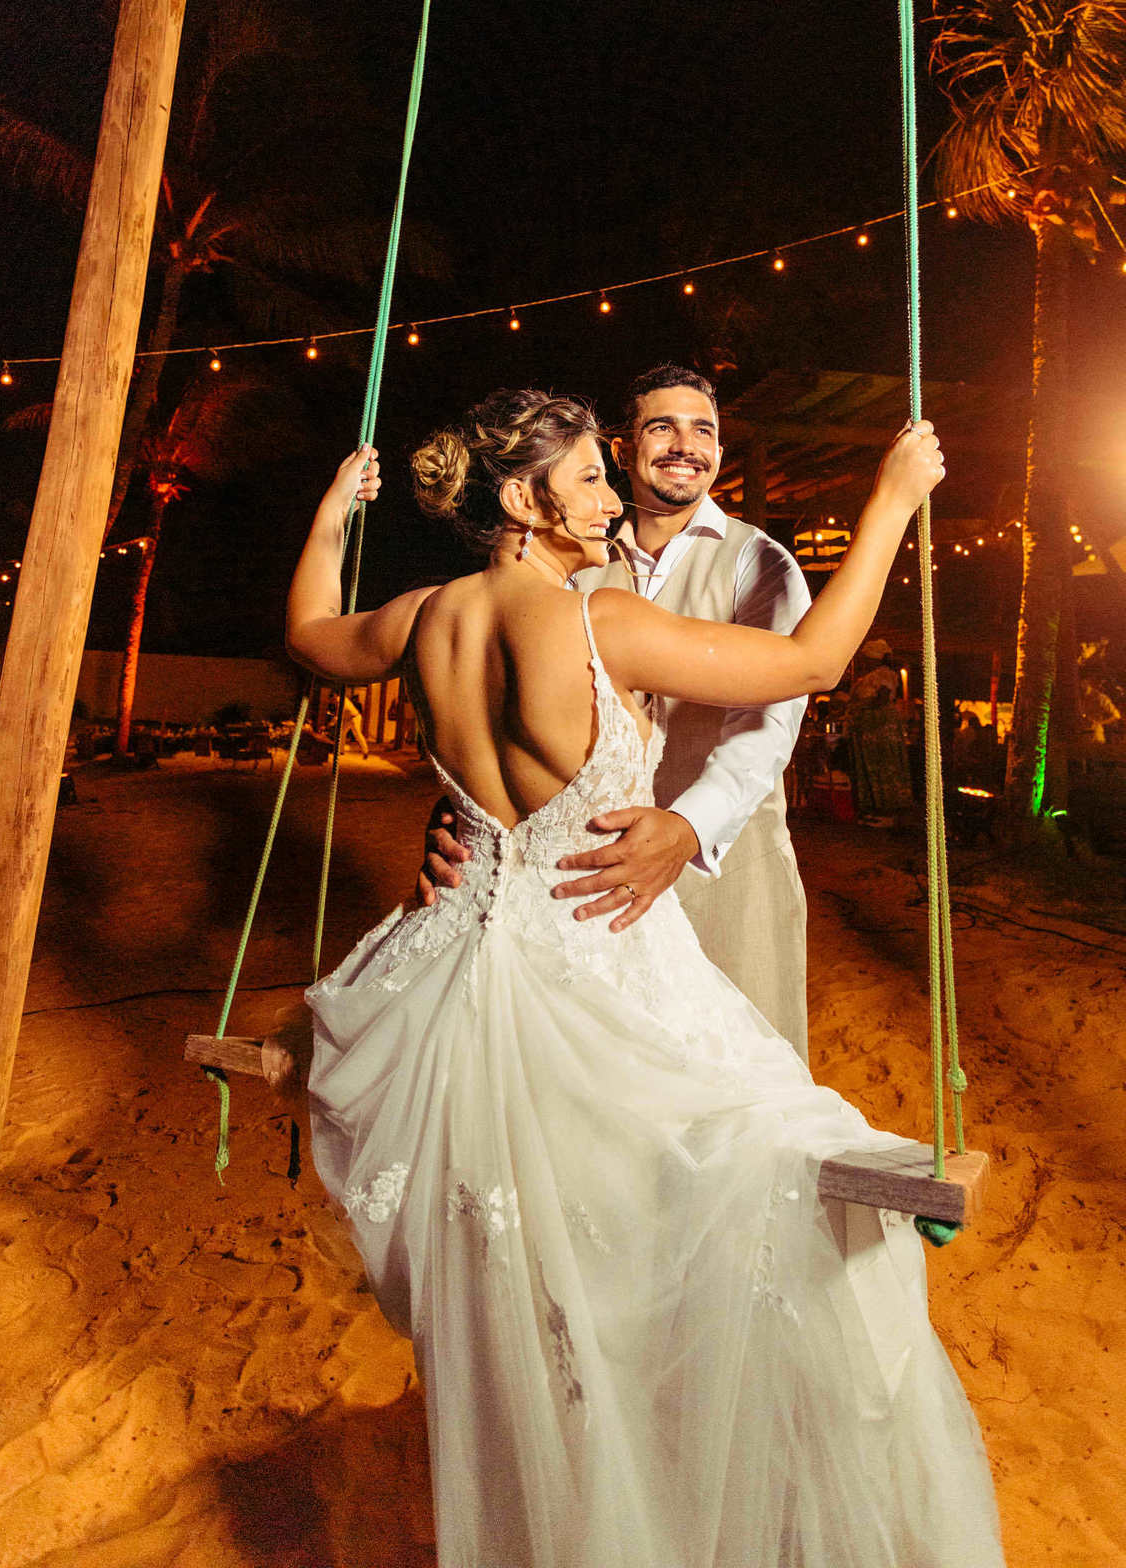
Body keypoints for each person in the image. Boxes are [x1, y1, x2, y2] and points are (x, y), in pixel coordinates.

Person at [286, 391, 1003, 1568]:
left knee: (541, 1279)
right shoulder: (593, 622)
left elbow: (312, 628)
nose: (613, 497)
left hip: (454, 978)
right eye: (588, 481)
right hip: (596, 971)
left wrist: (332, 508)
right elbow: (814, 661)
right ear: (523, 502)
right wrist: (892, 504)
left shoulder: (423, 618)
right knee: (740, 1185)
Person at [423, 364, 814, 1059]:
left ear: (721, 453)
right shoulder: (575, 561)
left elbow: (768, 723)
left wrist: (688, 828)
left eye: (705, 431)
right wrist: (465, 813)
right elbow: (504, 703)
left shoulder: (764, 563)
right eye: (662, 426)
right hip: (589, 884)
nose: (686, 444)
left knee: (741, 1096)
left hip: (726, 873)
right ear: (623, 448)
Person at [846, 638, 912, 826]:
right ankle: (871, 807)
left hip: (879, 726)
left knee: (882, 764)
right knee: (869, 765)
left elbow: (882, 698)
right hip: (868, 726)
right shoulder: (868, 677)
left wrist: (861, 707)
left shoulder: (883, 674)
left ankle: (886, 810)